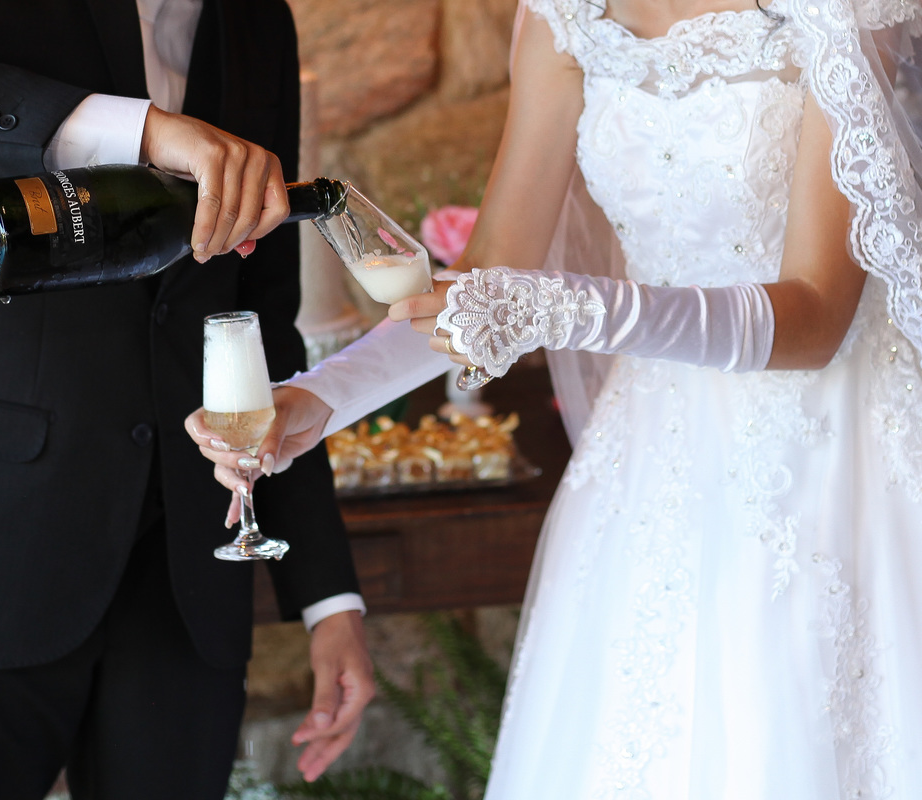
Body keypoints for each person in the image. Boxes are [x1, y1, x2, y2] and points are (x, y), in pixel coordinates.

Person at [186, 0, 922, 794]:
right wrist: (317, 400)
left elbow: (815, 318)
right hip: (654, 461)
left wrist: (574, 309)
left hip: (836, 450)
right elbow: (484, 284)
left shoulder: (841, 11)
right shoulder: (564, 16)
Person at [0, 1, 374, 798]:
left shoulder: (257, 18)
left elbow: (263, 324)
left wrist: (330, 600)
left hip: (183, 578)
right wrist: (145, 133)